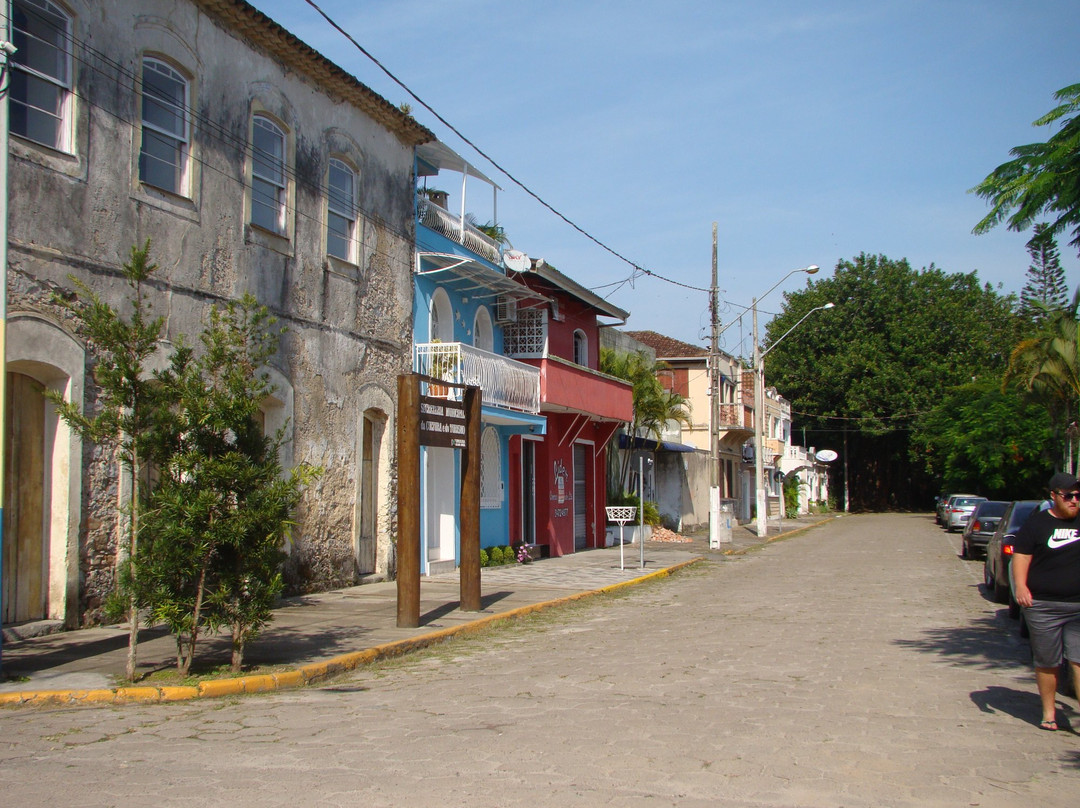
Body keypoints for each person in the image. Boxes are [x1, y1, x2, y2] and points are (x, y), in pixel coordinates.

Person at [1012, 471, 1080, 731]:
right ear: (1053, 496)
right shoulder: (1036, 524)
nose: (1074, 500)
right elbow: (1021, 556)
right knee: (1048, 662)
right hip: (1043, 606)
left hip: (1078, 607)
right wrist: (1021, 587)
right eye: (1068, 496)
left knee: (1079, 660)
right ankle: (1049, 713)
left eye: (1078, 496)